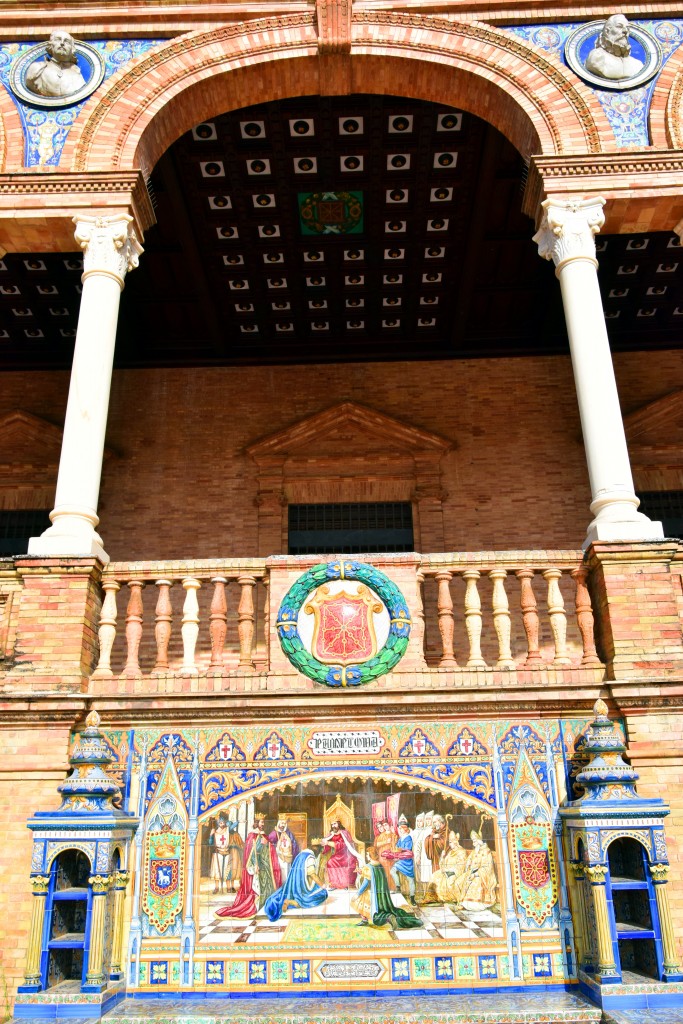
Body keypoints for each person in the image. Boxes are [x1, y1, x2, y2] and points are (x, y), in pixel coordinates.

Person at [215, 814, 281, 918]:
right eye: (261, 822)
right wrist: (255, 864)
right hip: (256, 866)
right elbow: (251, 852)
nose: (263, 824)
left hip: (263, 864)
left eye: (263, 822)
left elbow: (265, 849)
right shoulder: (252, 836)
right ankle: (256, 904)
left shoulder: (262, 835)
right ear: (256, 823)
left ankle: (264, 904)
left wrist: (267, 843)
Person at [351, 847, 422, 929]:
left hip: (372, 893)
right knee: (379, 907)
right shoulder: (379, 865)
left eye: (367, 854)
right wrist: (362, 872)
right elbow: (375, 877)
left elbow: (366, 883)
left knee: (359, 901)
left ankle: (387, 917)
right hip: (382, 894)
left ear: (370, 855)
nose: (367, 856)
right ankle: (374, 918)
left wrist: (358, 893)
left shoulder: (368, 867)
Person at [264, 849, 328, 922]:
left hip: (294, 885)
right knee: (323, 893)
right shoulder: (310, 858)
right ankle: (290, 902)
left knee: (315, 889)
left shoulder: (300, 856)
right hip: (302, 888)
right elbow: (312, 875)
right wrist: (323, 885)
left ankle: (291, 900)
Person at [26, 31, 87, 99]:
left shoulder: (76, 74)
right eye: (58, 40)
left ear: (71, 49)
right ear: (51, 45)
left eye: (67, 41)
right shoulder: (37, 69)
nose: (62, 43)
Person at [585, 15, 644, 81]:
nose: (625, 31)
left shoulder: (637, 64)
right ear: (607, 31)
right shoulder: (597, 57)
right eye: (619, 26)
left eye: (627, 28)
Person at [453, 828, 498, 908]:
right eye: (473, 840)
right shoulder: (475, 851)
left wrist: (476, 874)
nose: (474, 842)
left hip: (482, 875)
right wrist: (468, 864)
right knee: (458, 882)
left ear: (480, 839)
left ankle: (471, 904)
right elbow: (469, 860)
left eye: (475, 839)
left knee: (474, 882)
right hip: (471, 872)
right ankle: (461, 901)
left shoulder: (486, 851)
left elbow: (487, 868)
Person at [423, 830, 468, 904]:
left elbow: (461, 867)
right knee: (435, 875)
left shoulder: (462, 852)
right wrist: (442, 857)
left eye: (450, 843)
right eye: (449, 842)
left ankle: (444, 898)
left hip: (455, 873)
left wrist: (448, 870)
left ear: (455, 842)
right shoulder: (450, 852)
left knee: (449, 881)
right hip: (446, 871)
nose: (449, 845)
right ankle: (431, 897)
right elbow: (443, 864)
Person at [381, 815, 417, 904]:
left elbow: (407, 851)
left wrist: (397, 854)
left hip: (407, 861)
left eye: (401, 828)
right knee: (392, 871)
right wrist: (392, 852)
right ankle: (398, 887)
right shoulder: (401, 839)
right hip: (400, 861)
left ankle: (412, 898)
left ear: (406, 829)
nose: (400, 830)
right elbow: (397, 847)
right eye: (399, 828)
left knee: (410, 879)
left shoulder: (408, 838)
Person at [316, 819, 358, 889]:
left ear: (339, 824)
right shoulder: (331, 834)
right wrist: (324, 844)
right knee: (330, 862)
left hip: (347, 854)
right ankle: (334, 884)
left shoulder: (345, 833)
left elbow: (345, 845)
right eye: (332, 824)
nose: (333, 826)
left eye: (335, 824)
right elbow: (326, 845)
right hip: (337, 854)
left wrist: (329, 843)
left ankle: (345, 884)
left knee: (348, 862)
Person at [208, 811, 244, 894]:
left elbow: (233, 826)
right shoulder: (215, 832)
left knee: (228, 871)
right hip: (218, 853)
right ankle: (216, 888)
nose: (222, 824)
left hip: (227, 852)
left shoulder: (227, 830)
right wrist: (211, 835)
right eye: (220, 822)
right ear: (218, 823)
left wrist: (238, 822)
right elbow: (210, 843)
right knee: (217, 871)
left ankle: (228, 888)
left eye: (223, 822)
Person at [268, 814, 300, 884]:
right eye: (282, 823)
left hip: (288, 858)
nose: (283, 825)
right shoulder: (274, 833)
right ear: (279, 823)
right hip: (278, 858)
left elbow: (294, 843)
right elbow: (269, 844)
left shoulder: (288, 833)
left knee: (287, 872)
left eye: (284, 823)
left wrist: (292, 850)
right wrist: (276, 849)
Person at [374, 819, 397, 887]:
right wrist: (386, 842)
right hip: (382, 856)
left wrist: (393, 834)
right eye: (383, 825)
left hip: (390, 856)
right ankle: (385, 887)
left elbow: (395, 843)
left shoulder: (392, 834)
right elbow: (377, 844)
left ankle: (391, 887)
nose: (384, 827)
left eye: (386, 825)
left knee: (390, 871)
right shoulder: (381, 835)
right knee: (384, 871)